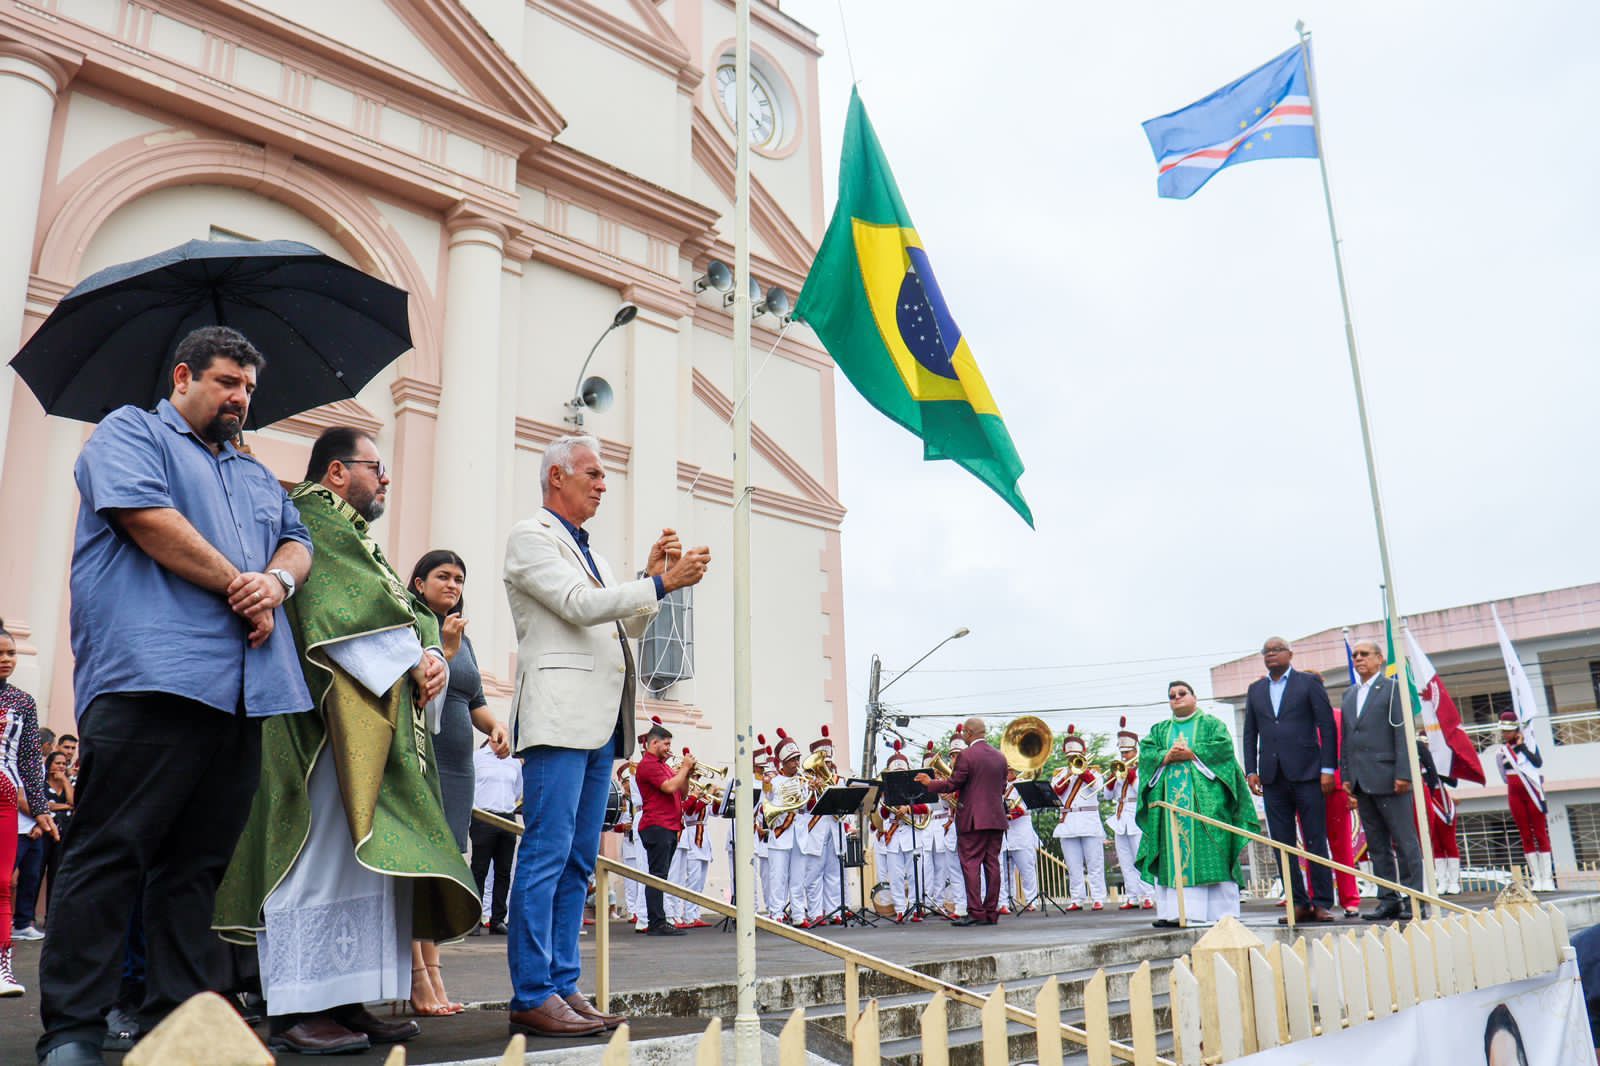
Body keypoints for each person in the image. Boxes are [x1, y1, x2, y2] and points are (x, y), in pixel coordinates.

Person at [37, 326, 311, 1066]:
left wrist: (277, 580)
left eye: (249, 389)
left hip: (243, 695)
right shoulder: (128, 432)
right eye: (227, 382)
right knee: (109, 854)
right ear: (182, 375)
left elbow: (298, 540)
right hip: (152, 676)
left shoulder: (253, 471)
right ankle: (72, 1030)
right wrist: (239, 584)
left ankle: (181, 1026)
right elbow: (146, 520)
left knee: (199, 869)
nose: (241, 399)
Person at [214, 427, 479, 1056]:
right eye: (374, 468)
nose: (384, 479)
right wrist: (411, 659)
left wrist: (429, 657)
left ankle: (346, 998)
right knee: (316, 855)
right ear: (336, 472)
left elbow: (395, 612)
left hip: (365, 719)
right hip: (321, 726)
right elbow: (337, 611)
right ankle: (299, 1006)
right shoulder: (314, 518)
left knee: (356, 863)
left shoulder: (352, 532)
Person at [502, 433, 708, 1039]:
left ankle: (562, 984)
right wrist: (664, 585)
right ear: (556, 476)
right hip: (561, 718)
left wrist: (651, 576)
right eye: (591, 473)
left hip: (597, 724)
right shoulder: (531, 536)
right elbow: (578, 605)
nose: (601, 484)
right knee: (545, 853)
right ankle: (532, 991)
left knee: (574, 861)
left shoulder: (589, 551)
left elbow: (629, 620)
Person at [408, 548, 512, 1014]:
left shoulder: (459, 631)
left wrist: (495, 726)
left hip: (459, 767)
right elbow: (417, 687)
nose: (453, 585)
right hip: (421, 758)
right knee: (419, 870)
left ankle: (435, 976)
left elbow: (473, 698)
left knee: (443, 870)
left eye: (459, 579)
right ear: (419, 583)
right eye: (443, 577)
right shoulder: (411, 621)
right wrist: (444, 651)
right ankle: (418, 979)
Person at [1137, 681, 1260, 928]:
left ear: (1194, 697)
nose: (1177, 698)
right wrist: (1165, 756)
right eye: (1172, 695)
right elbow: (1147, 754)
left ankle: (1220, 912)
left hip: (1206, 806)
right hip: (1170, 810)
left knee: (1214, 852)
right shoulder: (1159, 730)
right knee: (1171, 853)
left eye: (1182, 694)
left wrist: (1192, 752)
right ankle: (1174, 912)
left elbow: (1223, 750)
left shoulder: (1212, 725)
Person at [1243, 636, 1338, 923]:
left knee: (1314, 839)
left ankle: (1321, 902)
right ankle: (1297, 901)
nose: (1271, 655)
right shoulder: (1256, 690)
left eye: (1276, 650)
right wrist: (1251, 770)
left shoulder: (1308, 684)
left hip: (1308, 773)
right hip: (1272, 777)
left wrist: (1328, 769)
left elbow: (1327, 726)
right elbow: (1250, 732)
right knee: (1281, 842)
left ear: (1290, 654)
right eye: (1266, 651)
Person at [1340, 640, 1424, 921]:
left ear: (1379, 659)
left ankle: (1414, 899)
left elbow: (1402, 734)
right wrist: (1347, 775)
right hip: (1362, 780)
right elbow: (1348, 740)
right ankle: (1388, 900)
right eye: (1355, 655)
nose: (1359, 658)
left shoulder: (1392, 690)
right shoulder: (1350, 694)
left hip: (1390, 777)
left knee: (1404, 841)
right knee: (1377, 846)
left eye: (1365, 654)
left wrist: (1404, 773)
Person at [2, 626, 56, 996]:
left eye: (11, 653)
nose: (7, 659)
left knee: (3, 883)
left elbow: (28, 762)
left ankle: (2, 967)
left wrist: (40, 809)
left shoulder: (23, 702)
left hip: (3, 796)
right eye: (1, 653)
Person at [917, 717, 1008, 926]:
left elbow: (953, 784)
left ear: (968, 733)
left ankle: (975, 912)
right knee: (992, 864)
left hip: (973, 820)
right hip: (996, 818)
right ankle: (991, 913)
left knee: (971, 865)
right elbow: (1002, 788)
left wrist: (929, 783)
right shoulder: (1000, 757)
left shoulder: (967, 756)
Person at [635, 725, 690, 938]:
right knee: (657, 875)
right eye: (666, 744)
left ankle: (659, 919)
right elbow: (668, 788)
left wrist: (687, 772)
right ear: (654, 743)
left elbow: (682, 793)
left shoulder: (663, 765)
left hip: (668, 825)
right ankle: (656, 922)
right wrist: (684, 768)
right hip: (657, 825)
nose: (669, 748)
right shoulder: (648, 765)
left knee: (662, 875)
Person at [1495, 710, 1554, 891]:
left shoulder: (1529, 744)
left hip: (1532, 792)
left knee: (1540, 833)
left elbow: (1538, 763)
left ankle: (1547, 878)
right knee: (1525, 835)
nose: (1506, 734)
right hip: (1515, 794)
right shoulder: (1501, 751)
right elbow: (1504, 776)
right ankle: (1536, 878)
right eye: (1503, 731)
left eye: (1509, 730)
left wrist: (1522, 748)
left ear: (1517, 729)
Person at [1050, 726, 1107, 911]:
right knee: (1073, 866)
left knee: (1095, 863)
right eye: (1069, 758)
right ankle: (1077, 898)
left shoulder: (1094, 773)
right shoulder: (1060, 775)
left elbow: (1097, 787)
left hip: (1089, 821)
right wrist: (1068, 774)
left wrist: (1082, 772)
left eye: (1075, 757)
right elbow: (1056, 792)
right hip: (1068, 823)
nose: (1072, 761)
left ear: (1083, 755)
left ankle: (1098, 897)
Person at [471, 737, 522, 936]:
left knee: (503, 871)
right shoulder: (477, 758)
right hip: (483, 816)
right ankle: (474, 919)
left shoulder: (514, 762)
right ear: (490, 738)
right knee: (479, 869)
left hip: (507, 818)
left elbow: (518, 790)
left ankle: (498, 919)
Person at [872, 742, 923, 922]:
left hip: (911, 834)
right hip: (893, 837)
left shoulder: (915, 787)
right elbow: (882, 813)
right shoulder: (886, 791)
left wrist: (908, 809)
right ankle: (900, 909)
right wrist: (888, 800)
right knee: (896, 876)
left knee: (915, 873)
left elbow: (925, 808)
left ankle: (916, 907)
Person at [1106, 719, 1154, 910]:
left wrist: (1131, 776)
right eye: (1122, 753)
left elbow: (1142, 792)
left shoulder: (1143, 769)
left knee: (1141, 857)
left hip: (1137, 816)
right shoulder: (1120, 770)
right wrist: (1111, 781)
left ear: (1136, 751)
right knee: (1125, 861)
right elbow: (1108, 796)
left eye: (1127, 752)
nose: (1124, 756)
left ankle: (1149, 894)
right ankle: (1132, 896)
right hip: (1120, 818)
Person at [763, 730, 810, 925]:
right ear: (783, 762)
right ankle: (776, 914)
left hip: (799, 834)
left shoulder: (802, 781)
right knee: (778, 878)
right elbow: (764, 805)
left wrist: (812, 790)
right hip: (780, 833)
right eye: (792, 760)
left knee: (798, 879)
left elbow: (807, 807)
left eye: (797, 759)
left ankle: (798, 914)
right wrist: (766, 787)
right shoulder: (773, 782)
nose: (796, 763)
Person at [1322, 704, 1364, 917]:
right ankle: (1318, 901)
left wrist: (1353, 790)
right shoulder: (1297, 717)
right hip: (1306, 789)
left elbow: (1352, 752)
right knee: (1312, 848)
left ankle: (1350, 899)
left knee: (1342, 846)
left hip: (1338, 787)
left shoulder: (1340, 716)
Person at [1000, 767, 1040, 913]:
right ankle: (1004, 902)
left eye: (1010, 770)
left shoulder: (1024, 783)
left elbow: (1027, 807)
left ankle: (1031, 900)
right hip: (1003, 831)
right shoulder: (999, 785)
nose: (1008, 772)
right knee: (1002, 870)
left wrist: (1010, 814)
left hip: (1021, 830)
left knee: (1026, 868)